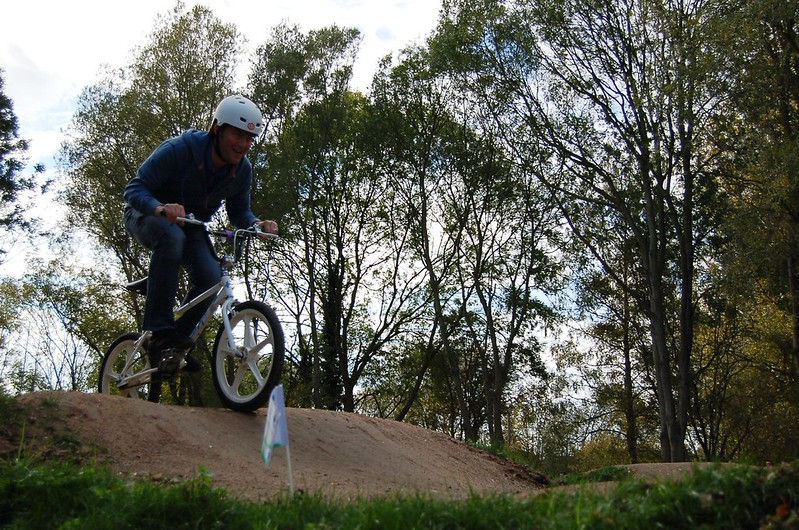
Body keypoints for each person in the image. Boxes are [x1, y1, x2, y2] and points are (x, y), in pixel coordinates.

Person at [123, 94, 278, 378]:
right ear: (217, 129)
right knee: (171, 237)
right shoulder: (181, 149)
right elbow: (134, 189)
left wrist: (258, 224)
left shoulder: (242, 170)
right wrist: (159, 207)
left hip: (190, 224)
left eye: (249, 139)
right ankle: (159, 331)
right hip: (145, 214)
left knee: (211, 276)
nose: (243, 145)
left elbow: (240, 212)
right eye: (238, 135)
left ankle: (174, 346)